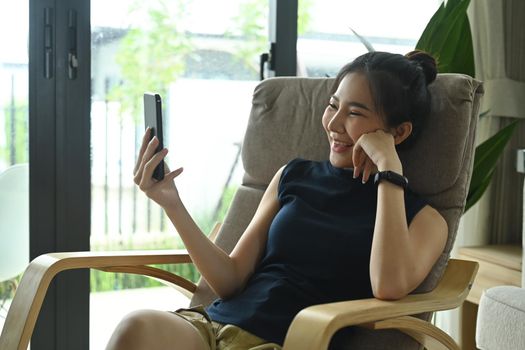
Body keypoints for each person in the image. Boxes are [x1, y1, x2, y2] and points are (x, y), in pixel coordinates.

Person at [106, 50, 448, 350]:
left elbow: (388, 287)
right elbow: (229, 280)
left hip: (287, 342)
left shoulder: (424, 219)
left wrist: (389, 169)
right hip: (213, 328)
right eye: (333, 105)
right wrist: (171, 203)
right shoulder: (293, 175)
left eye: (355, 113)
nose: (334, 123)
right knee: (135, 327)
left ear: (398, 132)